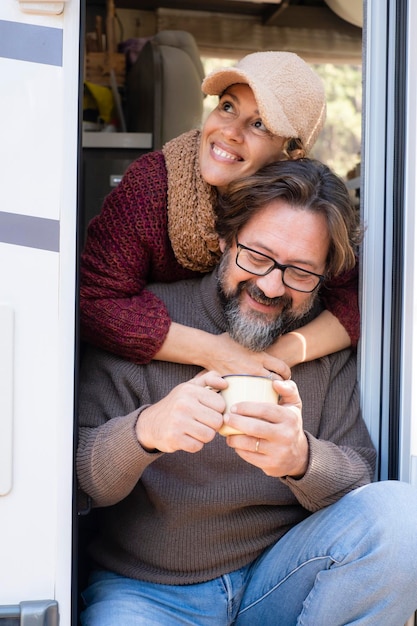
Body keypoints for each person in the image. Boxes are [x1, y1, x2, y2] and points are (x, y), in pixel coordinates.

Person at [77, 159, 417, 625]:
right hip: (148, 592)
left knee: (401, 514)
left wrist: (301, 459)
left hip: (279, 580)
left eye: (300, 272)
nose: (270, 285)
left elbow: (359, 479)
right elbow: (82, 482)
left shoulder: (321, 345)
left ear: (325, 278)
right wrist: (145, 431)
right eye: (256, 257)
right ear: (223, 240)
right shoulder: (147, 324)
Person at [79, 51, 359, 380]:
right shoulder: (153, 187)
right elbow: (91, 299)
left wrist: (273, 357)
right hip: (143, 380)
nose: (230, 132)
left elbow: (360, 302)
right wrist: (215, 352)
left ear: (291, 154)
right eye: (227, 107)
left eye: (259, 124)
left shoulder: (301, 215)